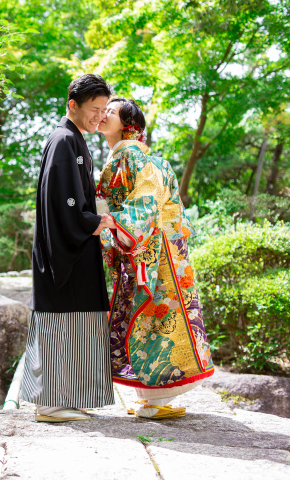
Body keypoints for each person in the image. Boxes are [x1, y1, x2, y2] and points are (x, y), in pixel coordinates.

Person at [96, 98, 215, 419]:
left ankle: (151, 400)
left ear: (127, 123)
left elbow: (143, 205)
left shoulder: (130, 157)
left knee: (154, 318)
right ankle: (151, 399)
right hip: (160, 249)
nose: (103, 114)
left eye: (110, 111)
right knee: (158, 318)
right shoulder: (137, 157)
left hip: (148, 250)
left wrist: (106, 222)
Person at [20, 74, 117, 422]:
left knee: (77, 322)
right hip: (64, 249)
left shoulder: (73, 140)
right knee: (63, 321)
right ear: (72, 105)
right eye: (95, 109)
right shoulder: (64, 140)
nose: (100, 117)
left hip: (74, 248)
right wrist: (91, 222)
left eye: (105, 110)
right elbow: (64, 202)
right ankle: (48, 403)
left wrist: (91, 220)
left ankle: (66, 398)